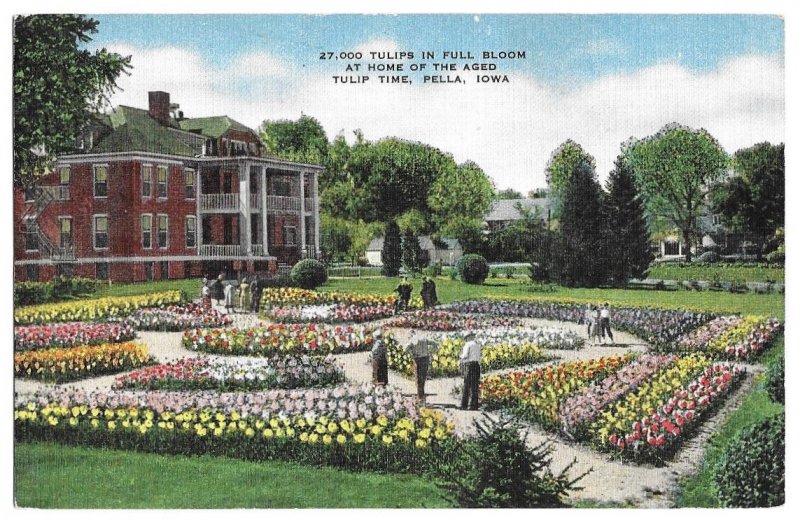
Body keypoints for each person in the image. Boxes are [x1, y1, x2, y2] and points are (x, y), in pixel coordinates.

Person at [406, 335, 433, 404]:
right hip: (425, 359)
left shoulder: (413, 340)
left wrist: (412, 355)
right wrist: (431, 353)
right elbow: (435, 344)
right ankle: (421, 396)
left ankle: (420, 397)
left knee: (418, 378)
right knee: (423, 378)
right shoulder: (424, 338)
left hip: (418, 359)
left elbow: (406, 348)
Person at [459, 331, 482, 410]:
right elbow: (479, 357)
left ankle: (464, 405)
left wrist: (460, 356)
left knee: (467, 385)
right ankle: (474, 405)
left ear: (467, 337)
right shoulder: (477, 345)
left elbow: (465, 356)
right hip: (477, 365)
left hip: (469, 366)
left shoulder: (467, 345)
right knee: (475, 386)